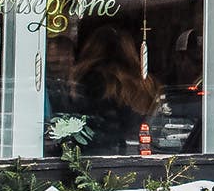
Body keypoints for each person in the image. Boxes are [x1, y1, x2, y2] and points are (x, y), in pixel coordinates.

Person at [69, 24, 163, 152]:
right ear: (130, 50)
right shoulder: (146, 82)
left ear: (91, 49)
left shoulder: (94, 79)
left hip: (101, 149)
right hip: (141, 146)